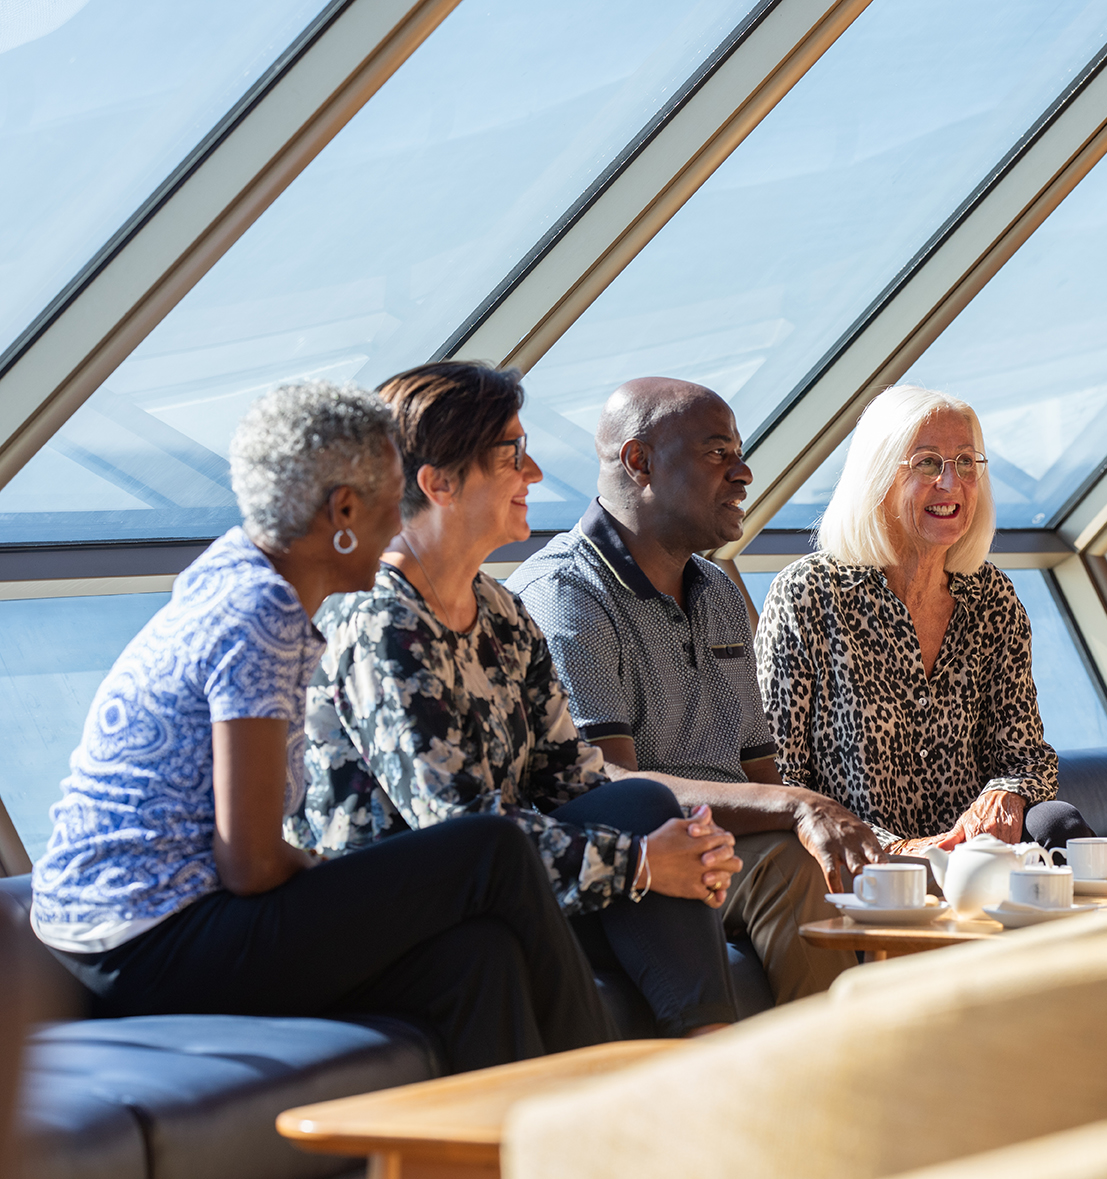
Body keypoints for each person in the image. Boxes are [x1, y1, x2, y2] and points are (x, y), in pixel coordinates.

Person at [29, 382, 604, 1072]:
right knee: (494, 849)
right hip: (148, 945)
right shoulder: (261, 614)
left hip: (121, 938)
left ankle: (502, 1130)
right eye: (394, 498)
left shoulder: (235, 574)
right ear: (344, 511)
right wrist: (323, 871)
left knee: (477, 957)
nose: (403, 519)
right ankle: (608, 1103)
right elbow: (251, 865)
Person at [298, 362, 743, 1037]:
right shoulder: (379, 620)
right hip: (399, 908)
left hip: (497, 885)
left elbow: (575, 781)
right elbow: (461, 832)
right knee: (514, 932)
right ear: (439, 483)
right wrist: (644, 863)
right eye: (512, 454)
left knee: (643, 806)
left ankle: (709, 1049)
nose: (533, 473)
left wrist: (687, 846)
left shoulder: (501, 612)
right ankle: (707, 1068)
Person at [508, 378, 878, 1001]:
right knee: (791, 866)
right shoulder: (565, 595)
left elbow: (759, 770)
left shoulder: (717, 590)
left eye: (739, 452)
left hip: (726, 846)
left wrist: (813, 820)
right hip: (636, 859)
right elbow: (611, 790)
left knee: (865, 871)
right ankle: (833, 1063)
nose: (743, 473)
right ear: (639, 461)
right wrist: (797, 808)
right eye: (716, 452)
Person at [754, 384, 1090, 854]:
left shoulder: (992, 597)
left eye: (966, 462)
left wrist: (1005, 794)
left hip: (972, 857)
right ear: (878, 477)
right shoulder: (808, 593)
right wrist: (903, 851)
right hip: (858, 859)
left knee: (1058, 822)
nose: (951, 483)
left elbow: (1026, 758)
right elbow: (780, 780)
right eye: (928, 463)